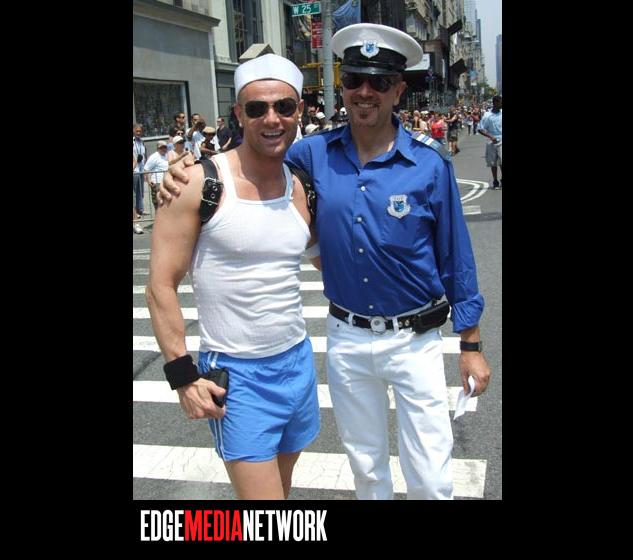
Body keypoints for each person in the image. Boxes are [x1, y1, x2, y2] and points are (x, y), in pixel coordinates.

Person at [159, 25, 491, 501]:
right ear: (343, 86)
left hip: (414, 341)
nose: (365, 92)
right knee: (366, 468)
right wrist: (183, 168)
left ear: (398, 90)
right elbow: (252, 155)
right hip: (347, 339)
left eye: (379, 82)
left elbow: (456, 257)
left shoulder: (429, 163)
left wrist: (470, 343)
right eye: (354, 80)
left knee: (431, 475)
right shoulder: (309, 155)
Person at [145, 53, 320, 500]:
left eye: (284, 106)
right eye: (257, 108)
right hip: (238, 377)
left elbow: (333, 265)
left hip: (297, 364)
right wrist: (183, 376)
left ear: (299, 110)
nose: (272, 119)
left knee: (281, 496)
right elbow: (160, 284)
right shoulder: (198, 183)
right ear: (239, 114)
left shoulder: (301, 187)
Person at [477, 95, 503, 189]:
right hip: (492, 141)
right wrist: (491, 137)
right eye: (500, 102)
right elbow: (480, 129)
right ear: (495, 103)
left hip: (501, 139)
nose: (501, 104)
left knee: (502, 161)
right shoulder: (487, 115)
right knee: (493, 163)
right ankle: (495, 180)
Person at [143, 140, 170, 210]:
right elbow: (146, 168)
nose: (163, 149)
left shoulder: (167, 155)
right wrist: (149, 180)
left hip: (166, 182)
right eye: (161, 147)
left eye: (165, 147)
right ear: (158, 148)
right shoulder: (154, 156)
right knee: (158, 203)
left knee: (165, 202)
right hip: (157, 182)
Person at [132, 123, 147, 219]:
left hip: (141, 168)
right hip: (135, 169)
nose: (138, 133)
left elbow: (144, 154)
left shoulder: (142, 141)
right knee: (134, 192)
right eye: (137, 131)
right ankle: (135, 211)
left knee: (141, 190)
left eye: (140, 131)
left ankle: (140, 209)